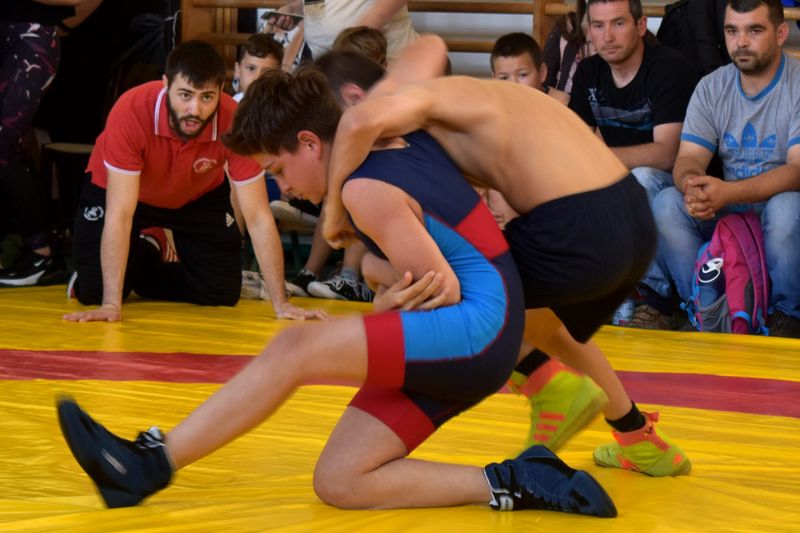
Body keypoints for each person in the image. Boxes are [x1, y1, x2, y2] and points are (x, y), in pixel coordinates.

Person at [56, 67, 617, 518]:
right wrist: (383, 288)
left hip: (478, 329)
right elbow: (428, 274)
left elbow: (440, 292)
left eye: (279, 169)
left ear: (309, 142)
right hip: (482, 330)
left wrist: (383, 304)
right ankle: (518, 480)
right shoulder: (387, 137)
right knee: (341, 479)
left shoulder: (364, 188)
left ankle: (151, 461)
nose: (284, 186)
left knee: (293, 349)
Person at [322, 36, 691, 477]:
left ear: (353, 98)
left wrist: (333, 209)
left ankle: (546, 384)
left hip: (578, 225)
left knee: (442, 291)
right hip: (629, 215)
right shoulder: (429, 98)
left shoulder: (399, 109)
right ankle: (636, 435)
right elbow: (432, 43)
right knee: (544, 325)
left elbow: (359, 121)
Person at [63, 40, 326, 322]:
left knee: (220, 291)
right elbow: (120, 213)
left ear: (221, 91)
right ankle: (136, 252)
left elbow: (258, 217)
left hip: (196, 194)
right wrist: (111, 305)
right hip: (128, 194)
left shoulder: (234, 121)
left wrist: (281, 303)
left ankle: (148, 250)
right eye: (185, 95)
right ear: (166, 85)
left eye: (206, 97)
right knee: (95, 291)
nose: (195, 110)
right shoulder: (132, 109)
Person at [654, 0, 800, 337]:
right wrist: (693, 186)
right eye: (732, 31)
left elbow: (796, 171)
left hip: (781, 213)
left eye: (754, 30)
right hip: (731, 212)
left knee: (786, 206)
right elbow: (688, 159)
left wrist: (727, 193)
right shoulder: (712, 86)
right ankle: (707, 309)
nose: (741, 42)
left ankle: (786, 317)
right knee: (668, 204)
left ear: (781, 34)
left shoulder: (796, 84)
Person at [568, 0, 699, 329]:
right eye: (598, 26)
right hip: (623, 185)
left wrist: (599, 158)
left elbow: (668, 155)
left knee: (639, 179)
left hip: (675, 190)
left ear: (641, 26)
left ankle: (654, 299)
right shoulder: (588, 72)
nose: (607, 36)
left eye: (618, 23)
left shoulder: (668, 68)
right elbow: (574, 148)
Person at [0, 0, 103, 286]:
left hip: (31, 41)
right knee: (12, 148)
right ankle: (39, 251)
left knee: (3, 143)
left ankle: (41, 253)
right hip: (10, 38)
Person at [491, 32, 570, 105]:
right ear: (494, 80)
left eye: (522, 75)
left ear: (542, 73)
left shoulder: (559, 104)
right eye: (504, 78)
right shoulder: (492, 106)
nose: (513, 84)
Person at [232, 33, 284, 102]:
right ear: (238, 70)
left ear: (278, 75)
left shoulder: (286, 107)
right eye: (251, 68)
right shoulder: (230, 104)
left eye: (267, 72)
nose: (257, 77)